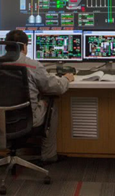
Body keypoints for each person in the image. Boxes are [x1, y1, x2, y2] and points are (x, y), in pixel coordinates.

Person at [4, 29, 74, 163]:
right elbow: (56, 88)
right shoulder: (32, 65)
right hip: (26, 119)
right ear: (24, 47)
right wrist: (66, 79)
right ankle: (49, 155)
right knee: (51, 103)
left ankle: (14, 150)